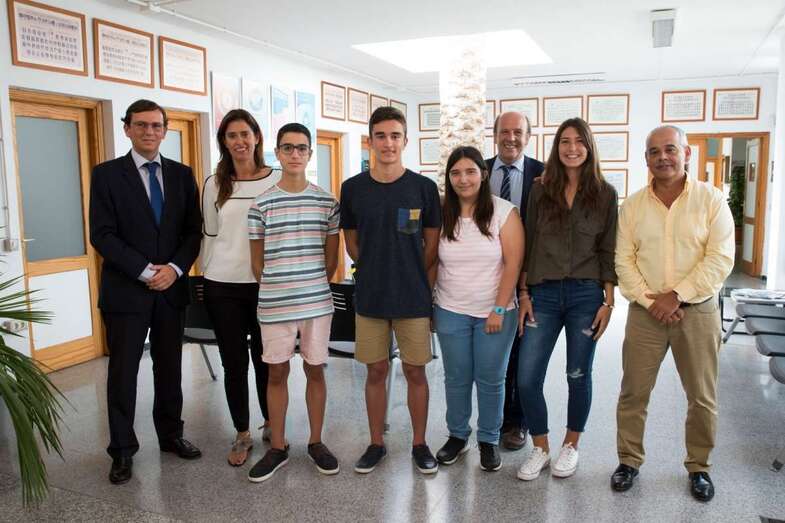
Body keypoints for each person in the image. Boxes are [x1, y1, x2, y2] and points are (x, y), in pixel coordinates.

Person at [611, 125, 734, 502]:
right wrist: (653, 302)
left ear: (686, 153)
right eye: (654, 151)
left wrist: (677, 296)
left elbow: (720, 258)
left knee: (701, 396)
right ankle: (628, 461)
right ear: (645, 159)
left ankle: (699, 466)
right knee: (633, 392)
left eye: (670, 149)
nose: (662, 157)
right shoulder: (632, 206)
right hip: (645, 313)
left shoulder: (712, 200)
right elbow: (623, 261)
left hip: (697, 313)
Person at [89, 99, 202, 485]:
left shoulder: (182, 175)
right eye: (141, 125)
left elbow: (193, 232)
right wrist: (143, 270)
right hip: (126, 291)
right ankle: (122, 450)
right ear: (127, 129)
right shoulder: (106, 175)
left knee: (169, 367)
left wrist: (174, 269)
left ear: (165, 131)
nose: (149, 131)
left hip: (171, 289)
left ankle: (170, 435)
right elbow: (102, 233)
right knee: (123, 373)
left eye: (156, 125)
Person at [340, 106, 441, 475]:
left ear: (405, 141)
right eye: (380, 136)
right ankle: (375, 443)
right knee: (376, 371)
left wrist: (409, 273)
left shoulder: (423, 188)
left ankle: (419, 443)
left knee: (415, 371)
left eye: (395, 135)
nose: (388, 143)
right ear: (370, 141)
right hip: (371, 297)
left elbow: (432, 246)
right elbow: (352, 244)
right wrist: (376, 268)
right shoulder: (353, 188)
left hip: (413, 297)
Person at [516, 117, 618, 481]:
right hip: (542, 293)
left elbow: (608, 249)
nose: (571, 148)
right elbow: (528, 243)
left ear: (589, 147)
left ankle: (571, 444)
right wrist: (523, 293)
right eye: (564, 141)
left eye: (578, 141)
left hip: (585, 295)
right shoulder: (540, 190)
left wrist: (608, 302)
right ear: (556, 147)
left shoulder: (605, 193)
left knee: (577, 373)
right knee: (527, 378)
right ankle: (541, 447)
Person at [246, 123, 340, 482]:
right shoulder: (260, 204)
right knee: (276, 372)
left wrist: (307, 284)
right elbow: (258, 264)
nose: (295, 154)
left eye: (302, 148)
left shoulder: (327, 202)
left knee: (315, 369)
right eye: (288, 148)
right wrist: (280, 286)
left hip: (316, 304)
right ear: (278, 153)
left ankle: (316, 442)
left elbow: (331, 261)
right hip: (275, 305)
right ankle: (277, 446)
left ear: (310, 154)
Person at [433, 146, 524, 471]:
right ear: (449, 178)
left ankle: (488, 439)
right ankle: (458, 436)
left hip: (495, 312)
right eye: (456, 173)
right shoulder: (441, 213)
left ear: (483, 174)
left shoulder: (504, 212)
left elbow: (513, 263)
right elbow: (431, 260)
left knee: (491, 379)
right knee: (456, 377)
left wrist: (498, 309)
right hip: (450, 308)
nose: (463, 179)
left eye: (470, 171)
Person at [202, 109, 281, 466]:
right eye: (231, 135)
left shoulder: (277, 179)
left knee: (268, 360)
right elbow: (210, 235)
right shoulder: (214, 184)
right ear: (224, 141)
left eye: (245, 134)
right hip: (223, 285)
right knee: (234, 363)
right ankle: (242, 432)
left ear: (257, 137)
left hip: (266, 285)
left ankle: (272, 423)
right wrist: (205, 277)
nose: (239, 141)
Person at [486, 111, 544, 450]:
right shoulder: (477, 171)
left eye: (517, 132)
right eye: (504, 131)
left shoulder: (544, 174)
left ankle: (516, 422)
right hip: (486, 278)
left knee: (523, 354)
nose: (511, 138)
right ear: (495, 135)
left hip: (530, 278)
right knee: (494, 355)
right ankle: (492, 418)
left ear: (528, 136)